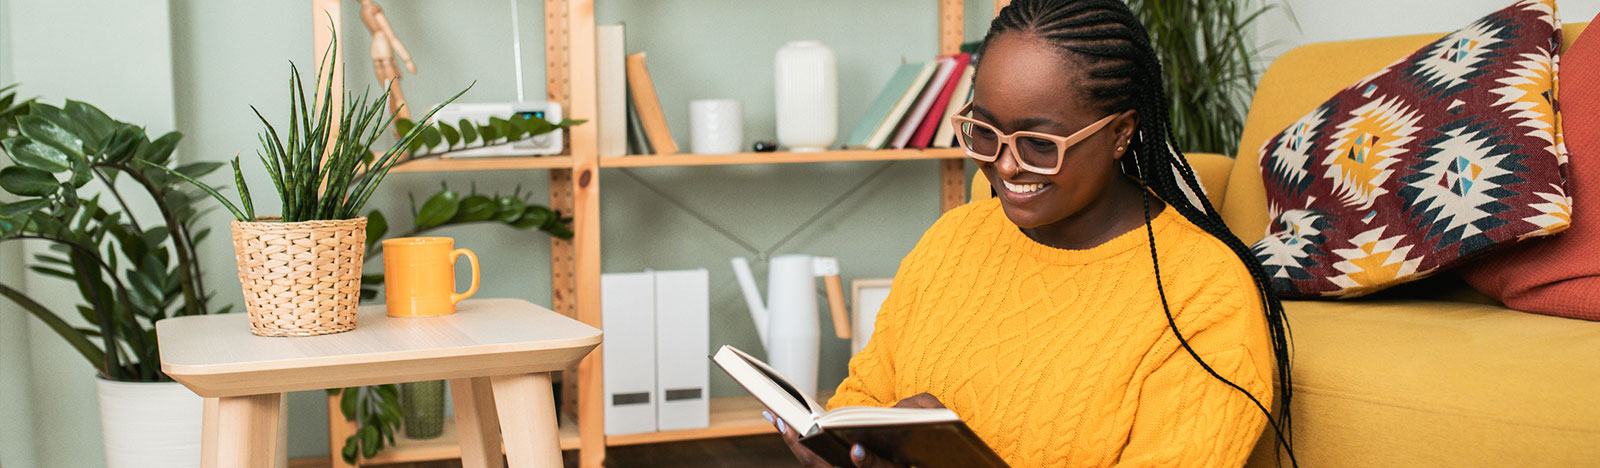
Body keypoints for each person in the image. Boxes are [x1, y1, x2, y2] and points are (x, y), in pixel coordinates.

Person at [768, 0, 1295, 466]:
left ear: (1120, 133)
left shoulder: (1205, 294)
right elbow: (863, 395)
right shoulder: (953, 239)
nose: (1005, 166)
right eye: (985, 131)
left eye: (1039, 145)